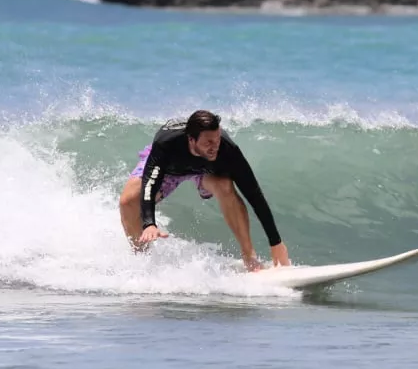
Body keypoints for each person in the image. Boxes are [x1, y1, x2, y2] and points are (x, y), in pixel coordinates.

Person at [119, 110, 290, 272]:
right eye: (208, 142)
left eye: (216, 140)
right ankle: (142, 259)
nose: (215, 146)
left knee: (225, 185)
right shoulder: (166, 144)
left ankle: (250, 258)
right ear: (191, 140)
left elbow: (253, 194)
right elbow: (150, 183)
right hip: (169, 169)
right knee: (128, 201)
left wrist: (276, 242)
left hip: (204, 170)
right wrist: (149, 224)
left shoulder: (227, 149)